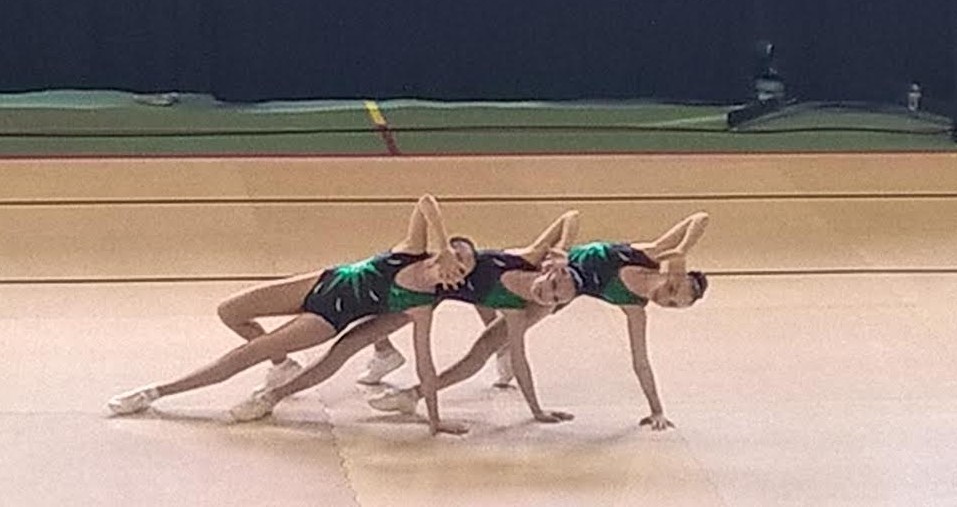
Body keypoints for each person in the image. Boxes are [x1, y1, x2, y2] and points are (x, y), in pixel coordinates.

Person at [107, 194, 473, 435]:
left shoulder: (420, 304)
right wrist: (442, 244)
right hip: (321, 281)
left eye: (462, 271)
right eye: (455, 259)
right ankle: (282, 365)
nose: (454, 270)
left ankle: (154, 392)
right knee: (230, 311)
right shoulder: (411, 249)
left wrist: (435, 419)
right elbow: (426, 201)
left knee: (248, 354)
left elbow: (426, 363)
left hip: (328, 317)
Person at [227, 210, 582, 433]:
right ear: (549, 270)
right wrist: (564, 248)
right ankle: (381, 356)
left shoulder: (520, 309)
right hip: (423, 288)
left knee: (480, 352)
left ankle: (408, 392)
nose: (546, 294)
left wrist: (537, 411)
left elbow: (512, 343)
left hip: (429, 299)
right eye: (550, 286)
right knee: (354, 335)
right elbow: (570, 215)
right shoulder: (525, 259)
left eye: (552, 299)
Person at [368, 212, 710, 431]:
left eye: (670, 305)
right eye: (671, 292)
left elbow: (640, 361)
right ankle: (387, 351)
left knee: (486, 346)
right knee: (421, 302)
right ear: (674, 276)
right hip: (539, 272)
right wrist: (564, 250)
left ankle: (415, 394)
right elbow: (700, 217)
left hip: (553, 296)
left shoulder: (635, 307)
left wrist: (657, 410)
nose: (663, 300)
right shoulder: (649, 254)